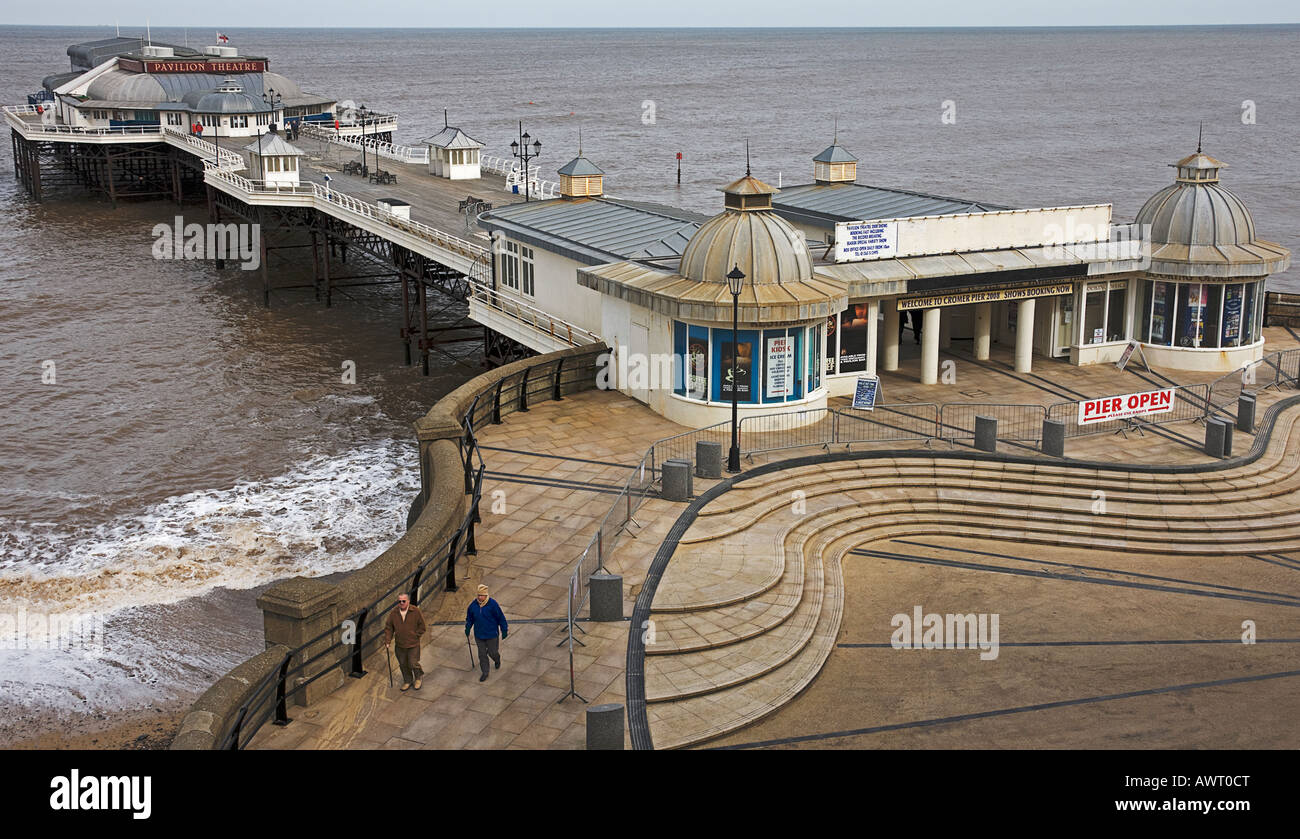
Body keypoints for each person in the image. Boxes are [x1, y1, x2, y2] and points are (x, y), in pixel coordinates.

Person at [465, 584, 508, 682]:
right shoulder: (473, 606)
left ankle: (497, 659)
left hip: (491, 634)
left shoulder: (493, 605)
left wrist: (504, 629)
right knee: (482, 654)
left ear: (486, 595)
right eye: (478, 595)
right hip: (479, 635)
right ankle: (485, 672)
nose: (480, 597)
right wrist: (467, 627)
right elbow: (469, 618)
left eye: (482, 595)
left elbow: (500, 617)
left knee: (493, 652)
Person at [383, 593, 426, 691]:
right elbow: (389, 627)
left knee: (413, 662)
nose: (401, 603)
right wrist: (387, 640)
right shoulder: (394, 613)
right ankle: (408, 680)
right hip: (400, 644)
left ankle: (418, 677)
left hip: (413, 644)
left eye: (403, 601)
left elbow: (422, 626)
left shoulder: (415, 611)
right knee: (403, 663)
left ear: (408, 601)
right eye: (399, 601)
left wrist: (415, 635)